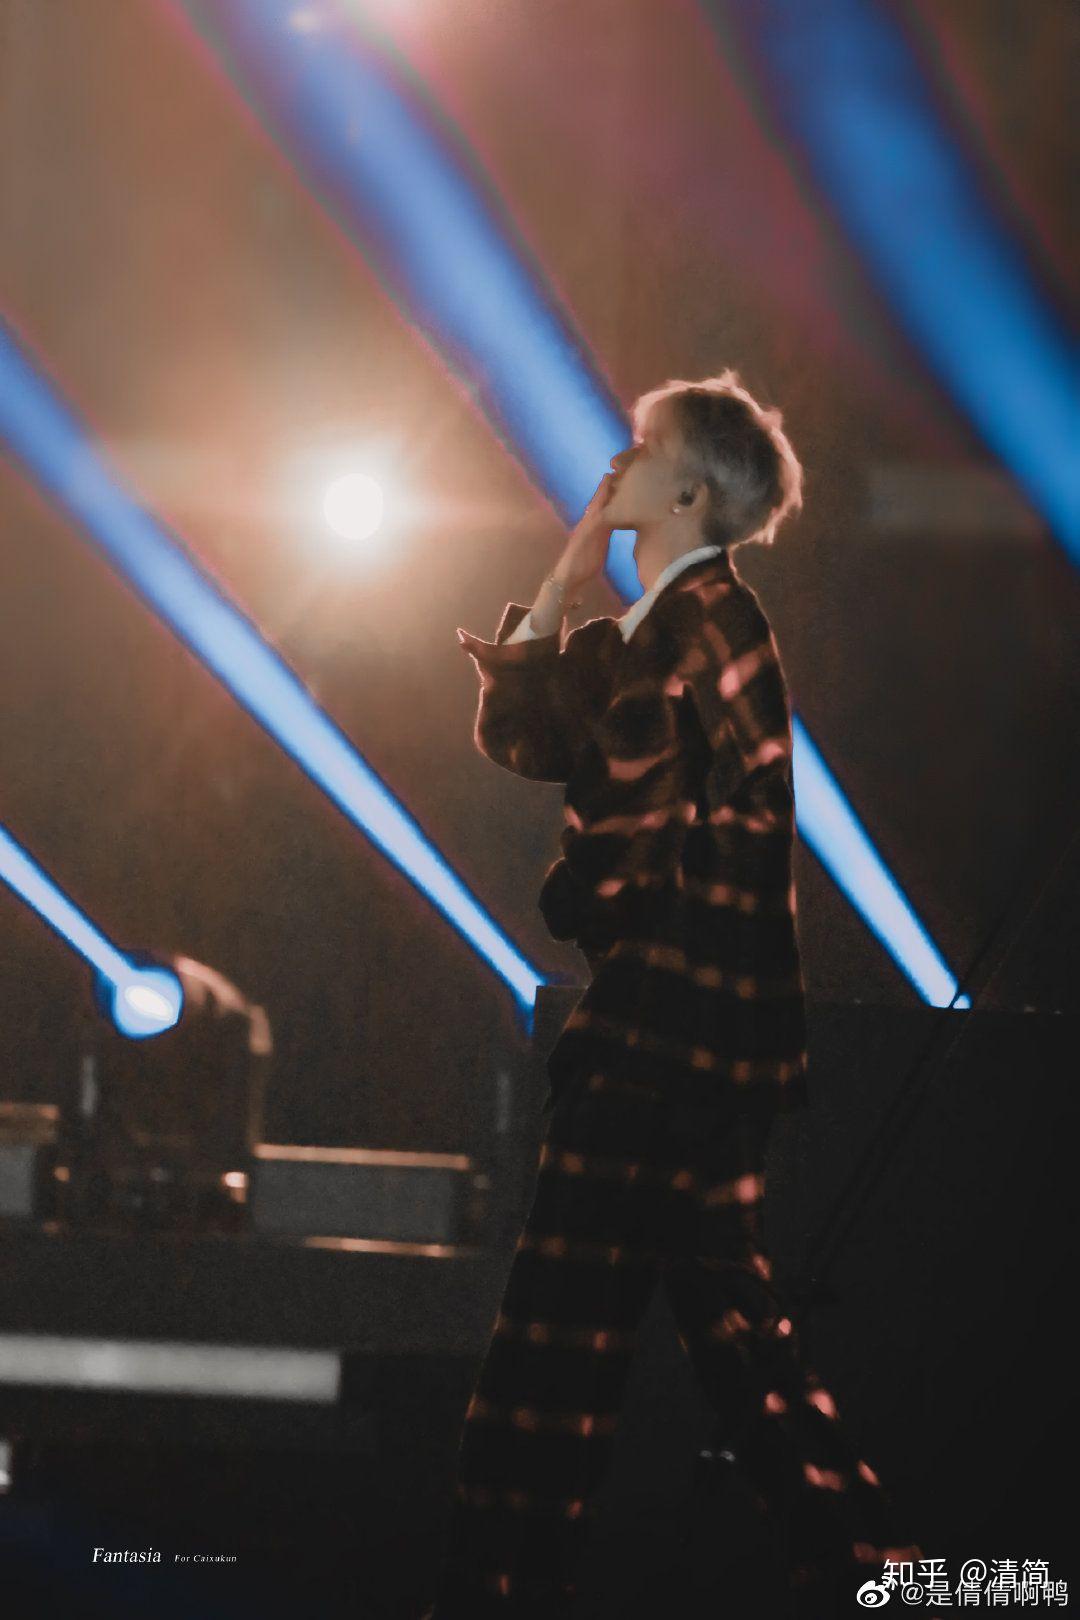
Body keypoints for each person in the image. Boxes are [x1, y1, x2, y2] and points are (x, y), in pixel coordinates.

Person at [431, 373, 922, 1617]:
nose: (618, 460)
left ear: (692, 491)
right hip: (704, 1044)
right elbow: (526, 738)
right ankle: (887, 1582)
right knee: (738, 1345)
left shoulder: (697, 631)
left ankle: (497, 1592)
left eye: (643, 448)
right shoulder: (675, 628)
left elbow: (622, 825)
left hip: (660, 1035)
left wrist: (574, 898)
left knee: (553, 1348)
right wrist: (571, 564)